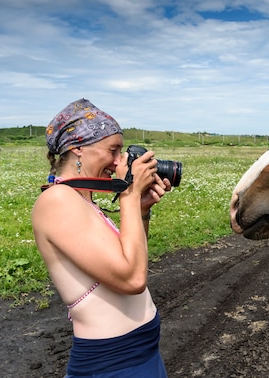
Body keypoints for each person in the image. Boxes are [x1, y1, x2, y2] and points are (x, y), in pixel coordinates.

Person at [31, 98, 171, 377]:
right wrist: (129, 195)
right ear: (79, 148)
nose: (119, 161)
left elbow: (130, 258)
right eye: (113, 150)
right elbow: (132, 279)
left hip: (141, 351)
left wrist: (141, 210)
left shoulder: (83, 201)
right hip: (112, 364)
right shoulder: (57, 200)